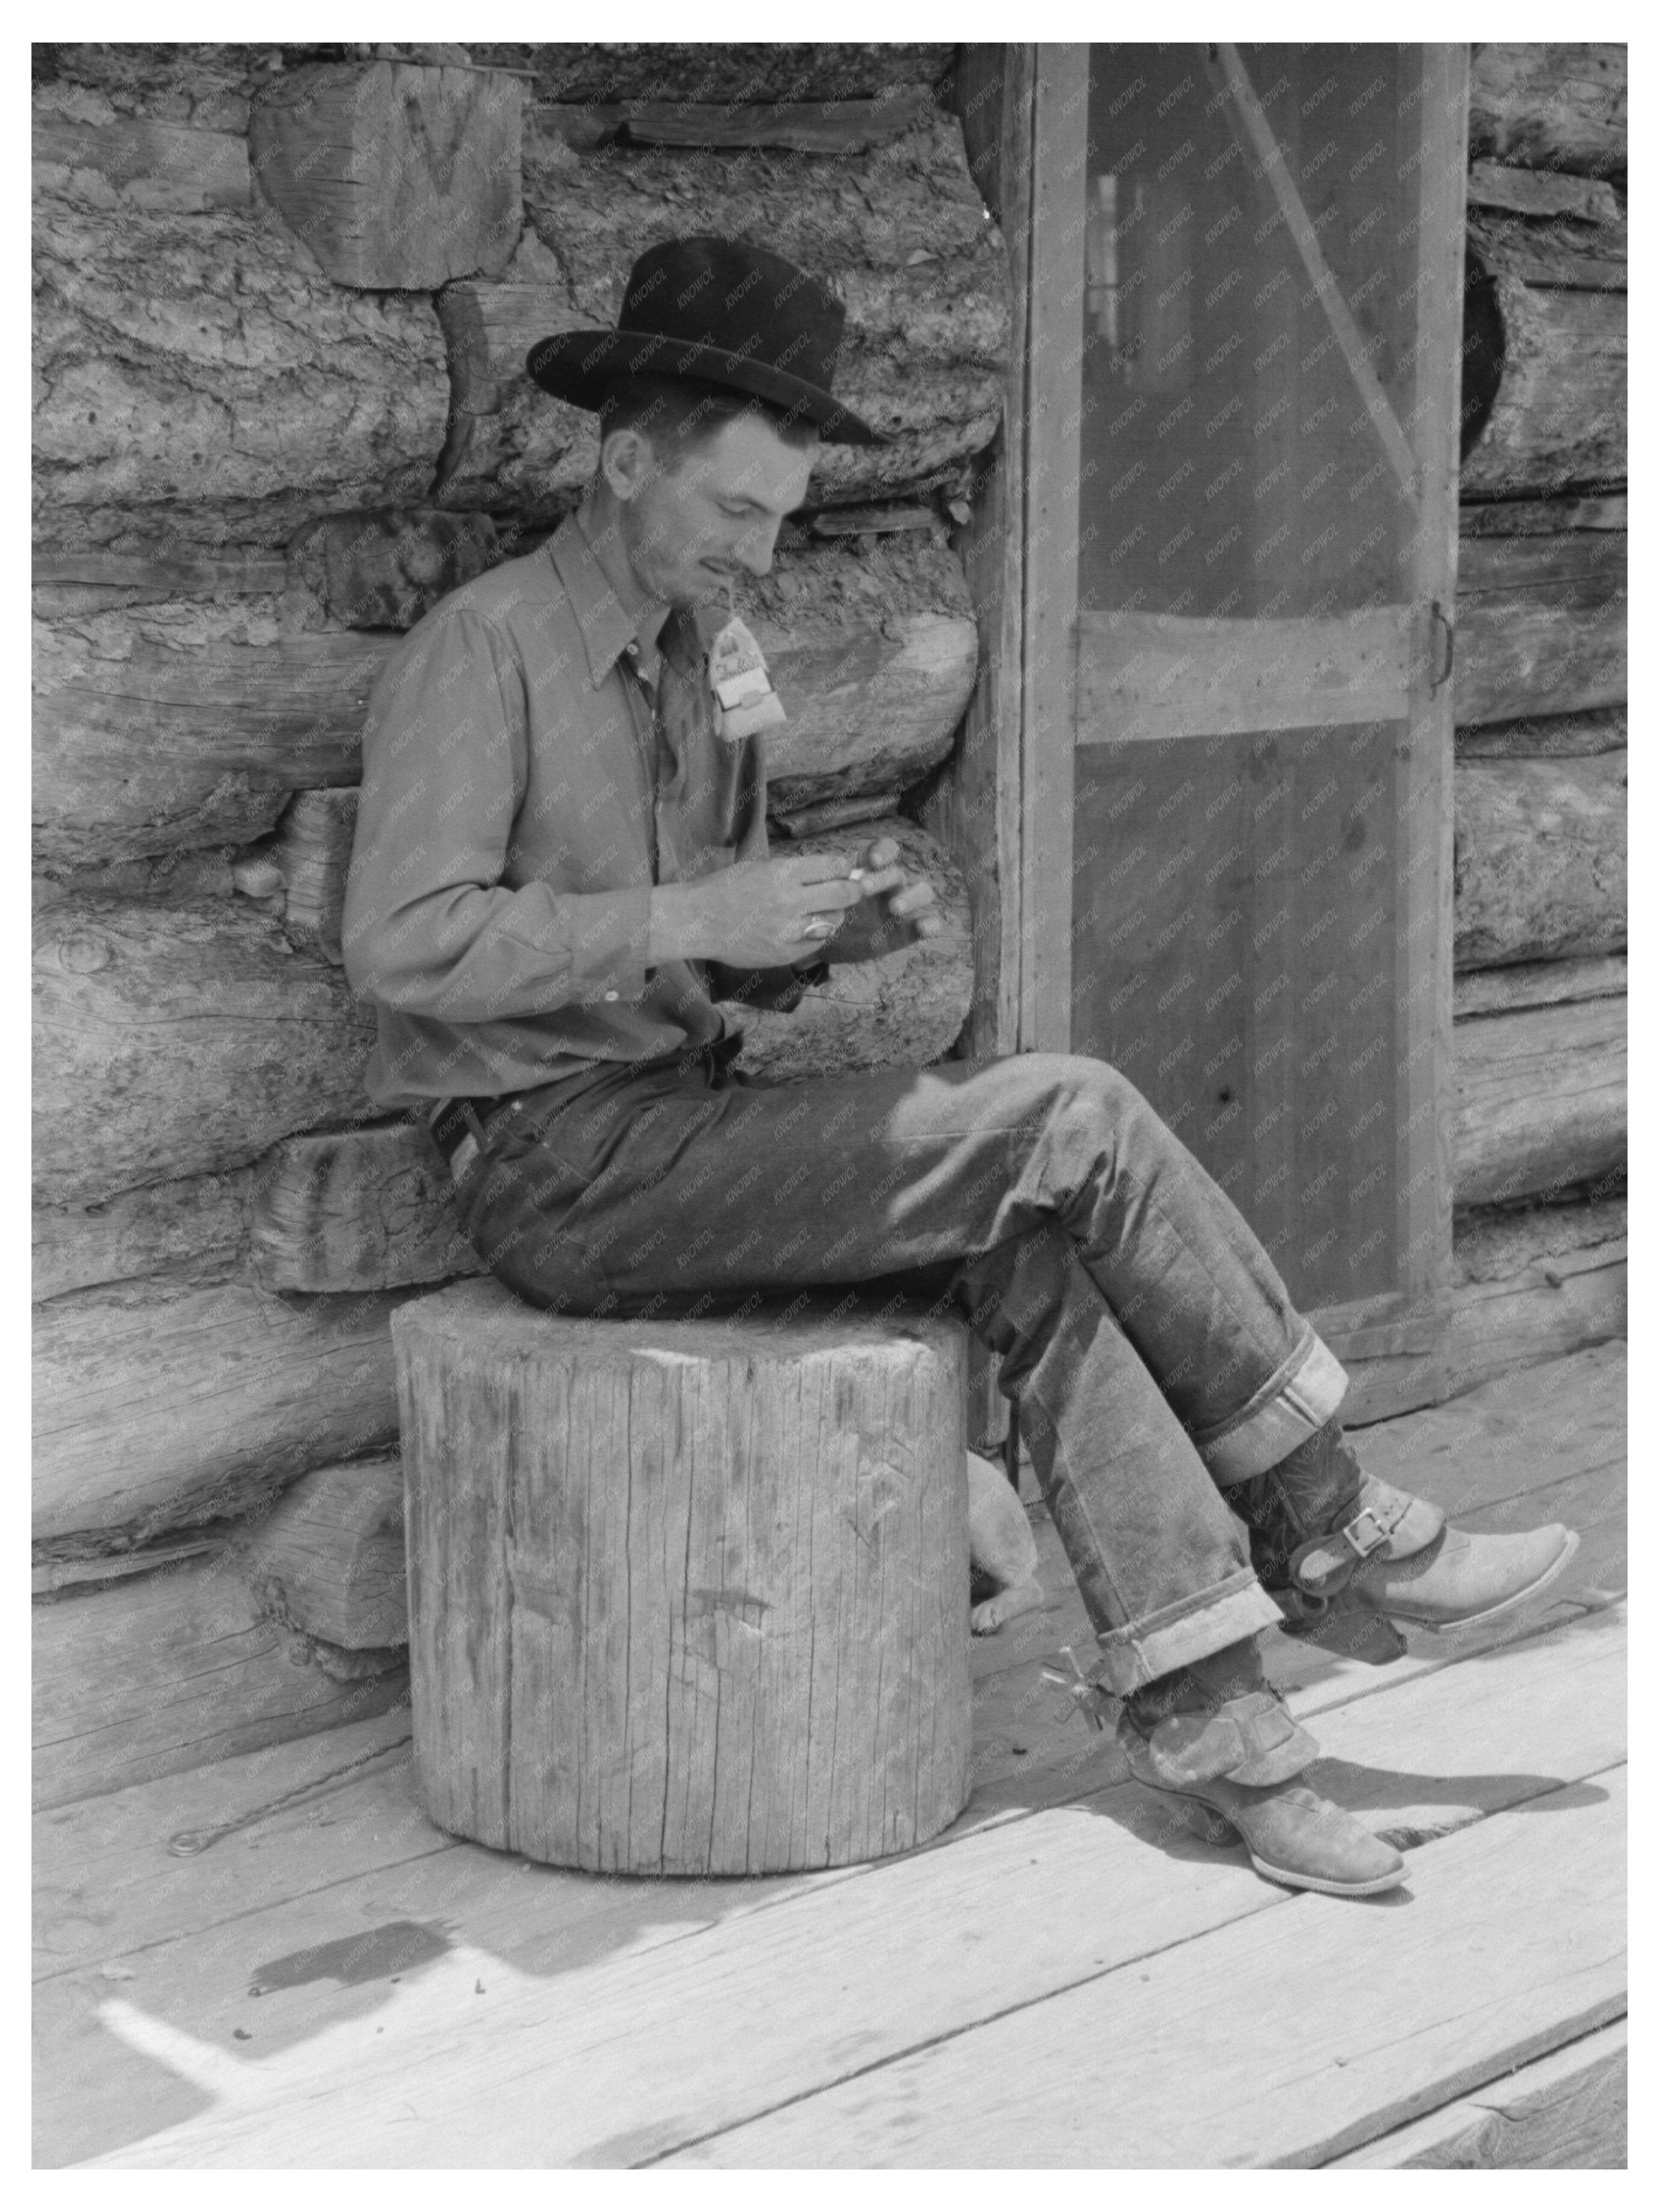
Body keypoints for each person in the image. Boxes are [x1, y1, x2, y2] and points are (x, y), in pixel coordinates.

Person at [343, 234, 1576, 1900]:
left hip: (670, 1126)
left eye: (779, 519)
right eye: (732, 512)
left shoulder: (707, 671)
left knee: (1035, 1250)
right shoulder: (481, 651)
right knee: (1066, 1108)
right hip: (546, 1164)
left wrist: (813, 935)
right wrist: (688, 905)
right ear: (626, 462)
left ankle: (1223, 1729)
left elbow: (699, 966)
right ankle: (1329, 1515)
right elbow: (402, 943)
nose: (759, 551)